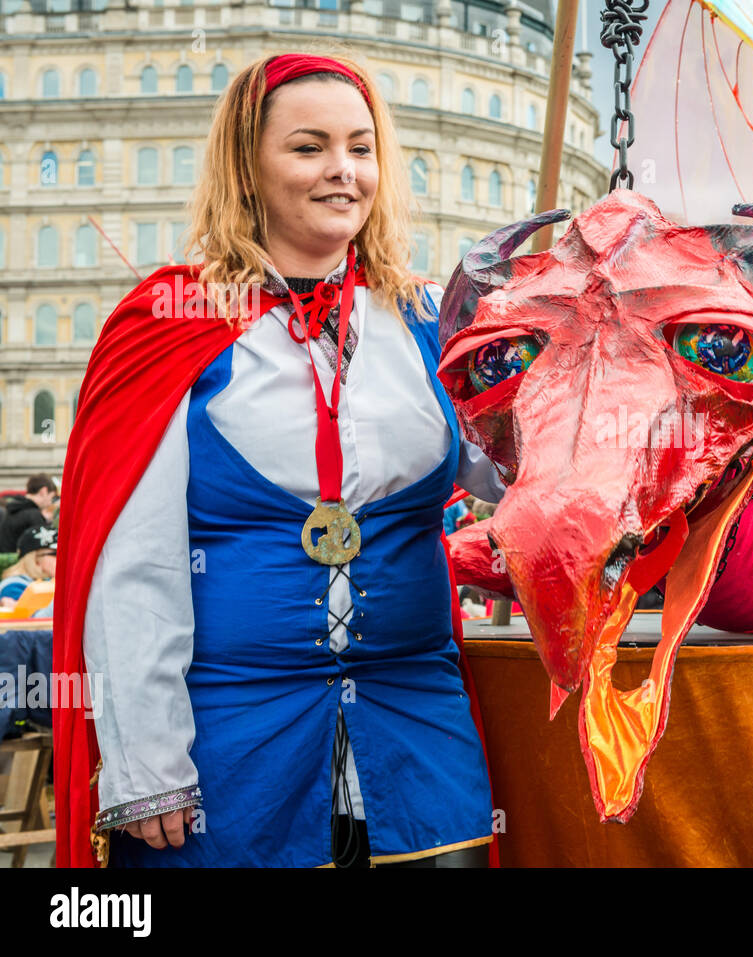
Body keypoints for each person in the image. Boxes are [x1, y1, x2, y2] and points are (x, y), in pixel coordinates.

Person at [53, 50, 505, 868]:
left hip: (419, 726)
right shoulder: (171, 321)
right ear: (248, 166)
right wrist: (147, 759)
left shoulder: (430, 322)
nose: (344, 171)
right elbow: (134, 561)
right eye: (309, 147)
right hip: (231, 738)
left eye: (362, 149)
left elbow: (518, 476)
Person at [0, 525, 57, 612]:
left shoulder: (46, 581)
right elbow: (34, 620)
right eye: (55, 554)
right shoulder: (12, 587)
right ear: (35, 558)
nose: (61, 558)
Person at [0, 475, 58, 553]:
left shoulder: (12, 509)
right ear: (43, 491)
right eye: (52, 497)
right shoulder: (34, 515)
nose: (50, 502)